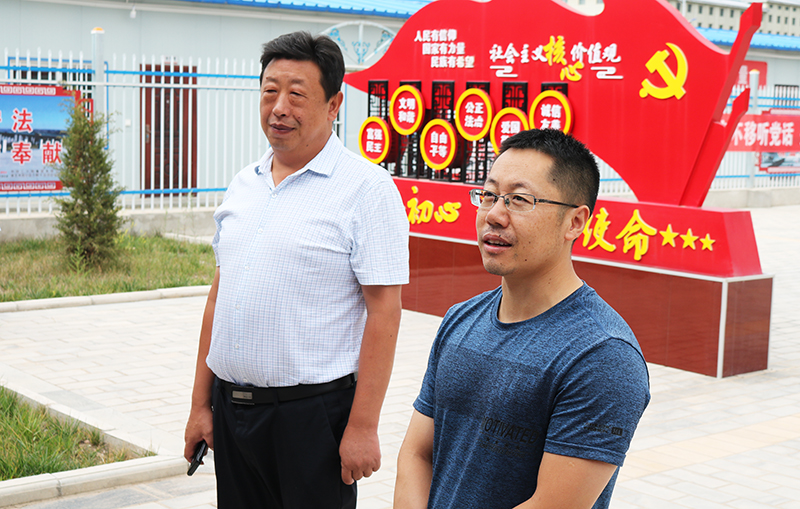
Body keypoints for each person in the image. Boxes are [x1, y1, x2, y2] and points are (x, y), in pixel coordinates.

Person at [183, 31, 409, 509]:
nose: (279, 108)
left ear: (334, 105)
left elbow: (385, 313)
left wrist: (363, 426)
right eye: (270, 91)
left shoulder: (367, 190)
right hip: (232, 411)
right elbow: (219, 298)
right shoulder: (243, 184)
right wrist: (200, 405)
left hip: (312, 420)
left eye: (297, 94)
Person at [394, 129, 650, 509]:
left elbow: (551, 504)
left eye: (519, 200)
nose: (494, 215)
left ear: (575, 222)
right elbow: (417, 454)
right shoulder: (460, 320)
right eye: (489, 195)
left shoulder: (603, 356)